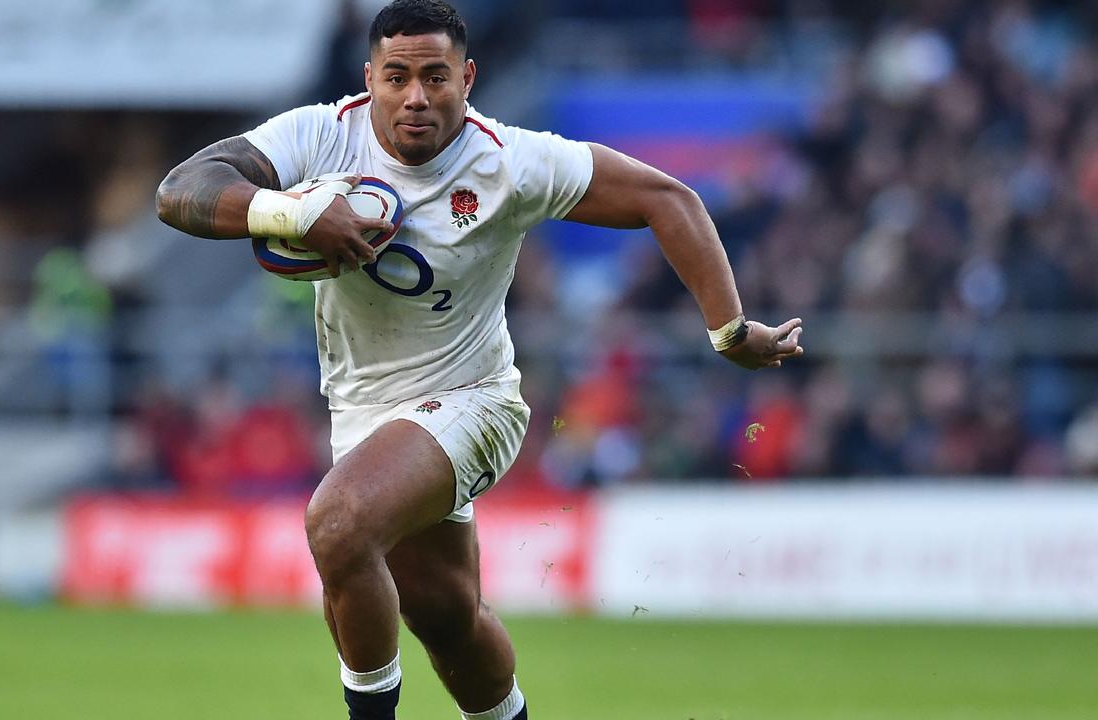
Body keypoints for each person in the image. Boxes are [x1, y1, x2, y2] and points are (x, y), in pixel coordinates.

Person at [156, 2, 804, 718]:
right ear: (368, 79)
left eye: (436, 77)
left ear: (467, 78)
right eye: (396, 76)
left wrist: (730, 331)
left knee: (338, 523)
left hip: (475, 400)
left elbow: (666, 197)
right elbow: (180, 193)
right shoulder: (317, 135)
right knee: (445, 618)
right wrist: (296, 214)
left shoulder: (507, 162)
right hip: (364, 413)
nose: (416, 96)